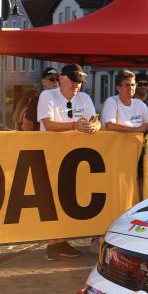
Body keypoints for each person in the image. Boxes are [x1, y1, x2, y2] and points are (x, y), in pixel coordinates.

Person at [38, 63, 100, 261]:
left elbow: (95, 120)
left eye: (79, 83)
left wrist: (94, 127)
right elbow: (48, 124)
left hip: (76, 157)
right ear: (62, 79)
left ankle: (61, 241)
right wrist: (74, 125)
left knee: (68, 199)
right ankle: (52, 243)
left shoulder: (84, 97)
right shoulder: (47, 96)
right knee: (53, 199)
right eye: (73, 81)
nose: (77, 86)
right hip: (51, 155)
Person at [101, 69, 148, 134]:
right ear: (118, 88)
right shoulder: (111, 101)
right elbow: (110, 126)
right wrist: (138, 129)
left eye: (133, 85)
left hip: (135, 144)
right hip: (114, 144)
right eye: (127, 85)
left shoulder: (139, 103)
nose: (130, 88)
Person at [20, 66, 60, 131]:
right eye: (52, 79)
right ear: (43, 82)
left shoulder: (63, 98)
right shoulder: (36, 101)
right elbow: (26, 125)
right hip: (42, 139)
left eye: (58, 79)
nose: (55, 82)